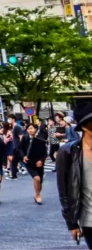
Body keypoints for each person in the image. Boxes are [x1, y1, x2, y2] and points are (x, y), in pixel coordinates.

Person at [56, 101, 92, 247]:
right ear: (84, 126)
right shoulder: (68, 152)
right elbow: (64, 191)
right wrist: (71, 223)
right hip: (89, 220)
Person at [20, 122, 48, 205]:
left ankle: (37, 195)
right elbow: (20, 149)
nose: (30, 130)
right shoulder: (25, 138)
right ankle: (38, 196)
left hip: (39, 163)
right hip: (29, 163)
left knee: (40, 181)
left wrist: (41, 161)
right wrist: (23, 157)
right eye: (28, 129)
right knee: (37, 178)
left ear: (35, 129)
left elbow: (45, 153)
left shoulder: (41, 139)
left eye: (31, 128)